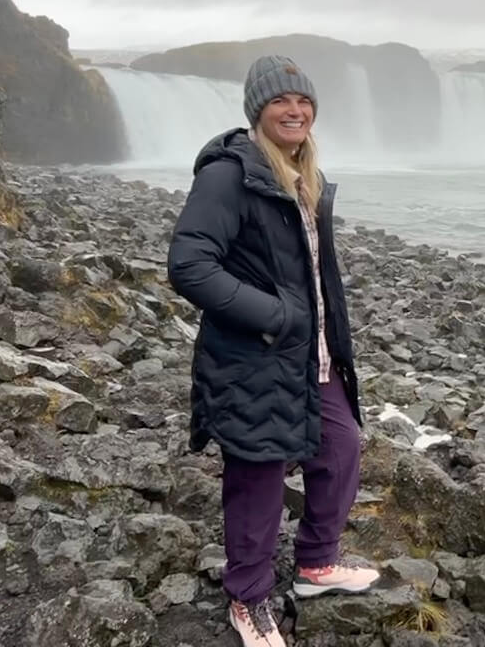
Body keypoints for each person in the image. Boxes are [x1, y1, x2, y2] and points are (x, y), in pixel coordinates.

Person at [167, 55, 378, 647]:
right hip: (254, 355)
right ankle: (248, 597)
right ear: (258, 110)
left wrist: (328, 333)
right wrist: (274, 315)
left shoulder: (301, 172)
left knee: (340, 447)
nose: (296, 110)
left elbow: (310, 270)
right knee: (257, 475)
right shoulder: (230, 174)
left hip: (312, 354)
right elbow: (188, 265)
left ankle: (316, 562)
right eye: (281, 101)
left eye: (303, 101)